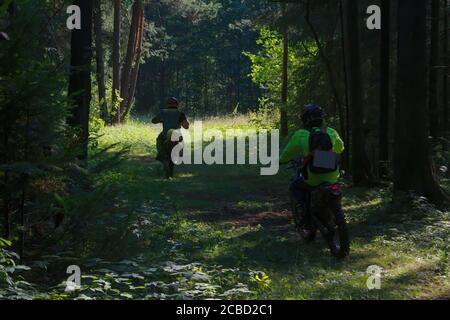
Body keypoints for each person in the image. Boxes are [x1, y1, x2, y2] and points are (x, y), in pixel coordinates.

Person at [279, 103, 345, 228]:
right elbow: (340, 148)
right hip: (332, 176)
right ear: (321, 117)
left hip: (313, 178)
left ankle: (306, 217)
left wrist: (280, 161)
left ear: (304, 119)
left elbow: (288, 153)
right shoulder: (331, 132)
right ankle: (334, 212)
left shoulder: (301, 134)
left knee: (295, 187)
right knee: (336, 188)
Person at [152, 97, 190, 178]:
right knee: (181, 142)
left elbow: (153, 121)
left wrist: (161, 120)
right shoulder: (181, 114)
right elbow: (186, 127)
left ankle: (161, 155)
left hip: (165, 135)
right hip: (176, 135)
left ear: (167, 104)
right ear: (177, 105)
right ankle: (180, 154)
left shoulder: (163, 112)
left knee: (159, 140)